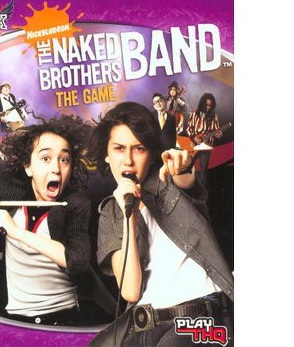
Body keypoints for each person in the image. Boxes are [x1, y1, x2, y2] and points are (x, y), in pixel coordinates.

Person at [87, 102, 233, 347]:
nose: (128, 160)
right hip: (145, 326)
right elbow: (130, 291)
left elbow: (187, 180)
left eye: (138, 149)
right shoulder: (110, 214)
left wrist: (184, 166)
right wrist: (128, 214)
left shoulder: (168, 180)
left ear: (151, 153)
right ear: (107, 154)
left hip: (197, 317)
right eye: (119, 149)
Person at [0, 115, 115, 325]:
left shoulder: (75, 204)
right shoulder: (7, 191)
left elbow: (76, 261)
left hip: (62, 321)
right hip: (13, 320)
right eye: (46, 158)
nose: (56, 168)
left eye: (64, 159)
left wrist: (16, 232)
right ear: (28, 166)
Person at [186, 92, 223, 185]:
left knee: (203, 171)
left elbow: (217, 130)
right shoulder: (195, 114)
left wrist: (218, 134)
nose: (208, 107)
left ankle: (202, 190)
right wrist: (194, 138)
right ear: (202, 103)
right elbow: (188, 128)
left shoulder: (214, 116)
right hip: (194, 145)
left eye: (210, 105)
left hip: (206, 146)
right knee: (188, 167)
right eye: (206, 105)